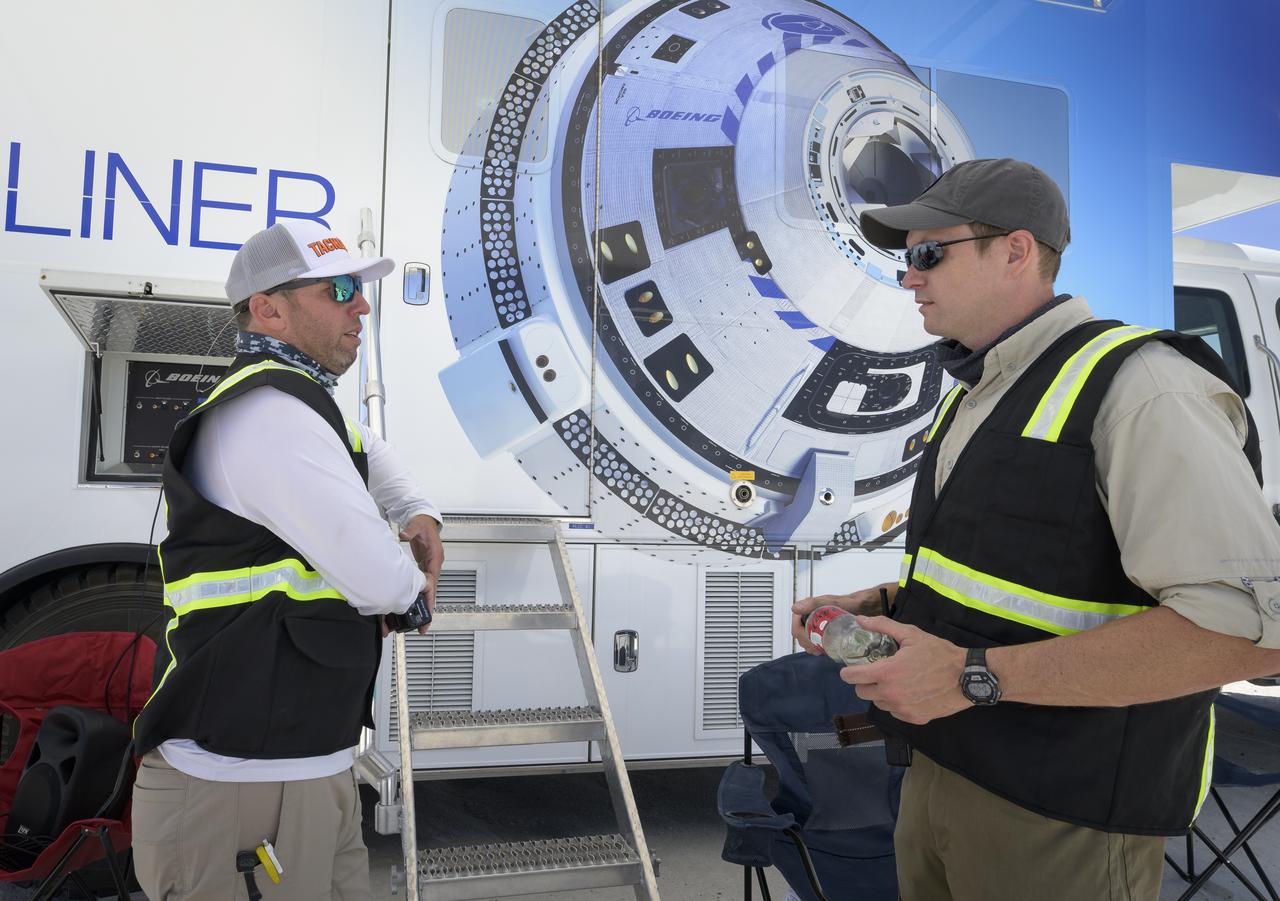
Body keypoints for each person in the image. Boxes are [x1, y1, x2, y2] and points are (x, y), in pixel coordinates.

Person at [791, 158, 1280, 901]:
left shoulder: (1146, 388)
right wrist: (893, 603)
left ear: (1017, 251)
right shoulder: (976, 396)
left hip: (1063, 816)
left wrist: (969, 676)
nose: (908, 277)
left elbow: (1244, 630)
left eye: (928, 253)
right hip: (943, 773)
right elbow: (1034, 566)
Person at [131, 219, 444, 900]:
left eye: (360, 289)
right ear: (269, 309)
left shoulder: (301, 402)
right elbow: (377, 574)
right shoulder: (268, 413)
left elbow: (369, 449)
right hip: (239, 792)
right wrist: (412, 588)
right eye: (339, 289)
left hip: (308, 766)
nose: (361, 306)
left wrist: (419, 513)